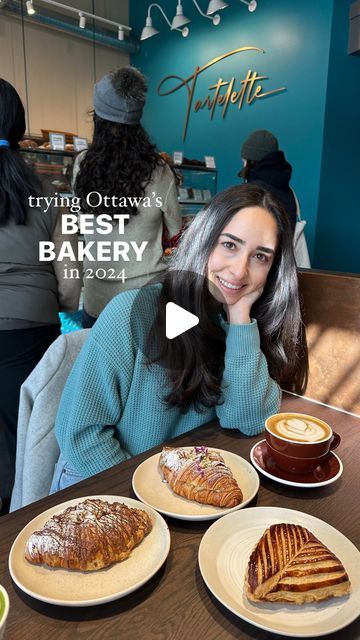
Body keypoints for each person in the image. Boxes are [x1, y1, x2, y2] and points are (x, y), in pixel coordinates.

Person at [50, 183, 308, 492]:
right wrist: (152, 497)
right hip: (104, 481)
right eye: (229, 245)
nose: (240, 270)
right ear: (204, 240)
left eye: (260, 257)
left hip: (181, 490)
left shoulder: (246, 327)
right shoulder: (132, 311)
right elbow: (81, 434)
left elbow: (248, 419)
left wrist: (240, 318)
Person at [0, 78, 81, 511]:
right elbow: (70, 286)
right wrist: (64, 305)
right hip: (31, 331)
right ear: (19, 127)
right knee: (30, 436)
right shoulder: (51, 201)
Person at [73, 66, 182, 328]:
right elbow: (177, 232)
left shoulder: (82, 165)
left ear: (97, 117)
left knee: (98, 369)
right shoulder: (159, 171)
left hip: (97, 298)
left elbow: (81, 225)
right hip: (146, 299)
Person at [239, 129, 298, 234]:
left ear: (252, 161)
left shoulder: (254, 191)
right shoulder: (287, 190)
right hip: (283, 249)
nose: (243, 166)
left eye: (244, 161)